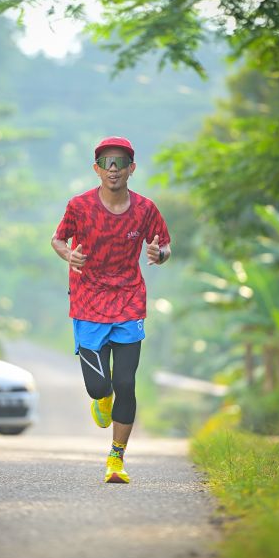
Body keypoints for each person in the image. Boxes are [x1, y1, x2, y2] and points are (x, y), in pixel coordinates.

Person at [51, 136, 171, 484]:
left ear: (132, 168)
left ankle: (116, 459)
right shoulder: (79, 206)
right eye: (106, 162)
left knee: (126, 382)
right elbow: (58, 238)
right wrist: (68, 254)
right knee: (99, 386)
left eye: (120, 162)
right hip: (88, 303)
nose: (114, 168)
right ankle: (101, 399)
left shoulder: (145, 209)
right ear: (97, 169)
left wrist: (159, 254)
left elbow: (165, 245)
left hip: (129, 301)